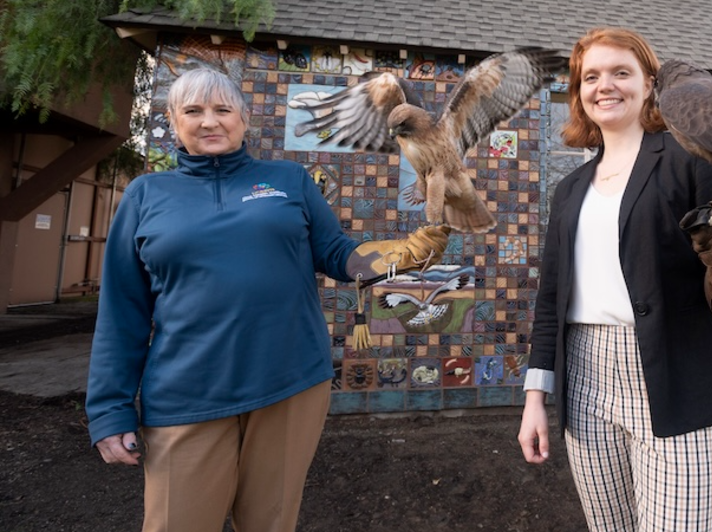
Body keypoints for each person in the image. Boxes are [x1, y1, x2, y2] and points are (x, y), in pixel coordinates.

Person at [85, 68, 450, 532]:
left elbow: (338, 254)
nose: (209, 122)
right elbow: (122, 311)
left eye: (222, 109)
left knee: (271, 522)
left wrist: (402, 254)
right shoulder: (145, 195)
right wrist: (109, 408)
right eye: (193, 111)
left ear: (244, 117)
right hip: (187, 394)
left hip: (289, 383)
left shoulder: (289, 180)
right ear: (174, 122)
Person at [517, 28, 712, 532]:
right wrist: (536, 396)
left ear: (649, 84)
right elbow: (551, 297)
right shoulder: (569, 189)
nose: (606, 85)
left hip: (681, 372)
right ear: (579, 93)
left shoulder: (692, 160)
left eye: (621, 73)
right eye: (591, 76)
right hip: (585, 380)